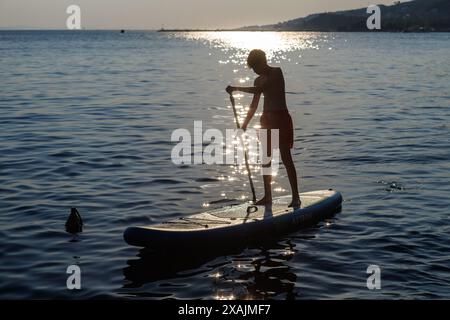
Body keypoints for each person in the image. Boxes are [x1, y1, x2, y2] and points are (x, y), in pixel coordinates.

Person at [226, 49, 301, 208]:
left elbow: (261, 90)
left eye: (255, 66)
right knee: (266, 160)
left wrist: (236, 88)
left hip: (280, 118)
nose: (255, 70)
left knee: (286, 158)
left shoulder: (276, 72)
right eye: (252, 68)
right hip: (267, 120)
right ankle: (268, 196)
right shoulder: (257, 80)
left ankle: (296, 197)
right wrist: (245, 124)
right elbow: (254, 105)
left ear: (263, 61)